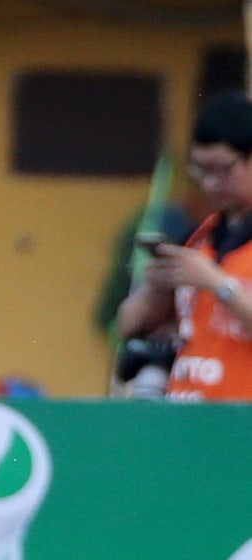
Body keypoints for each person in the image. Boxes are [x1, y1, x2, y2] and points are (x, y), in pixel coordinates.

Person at [118, 90, 252, 401]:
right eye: (199, 169)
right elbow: (128, 325)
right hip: (188, 416)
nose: (210, 183)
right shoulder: (199, 237)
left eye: (222, 169)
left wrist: (215, 283)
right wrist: (156, 287)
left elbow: (218, 285)